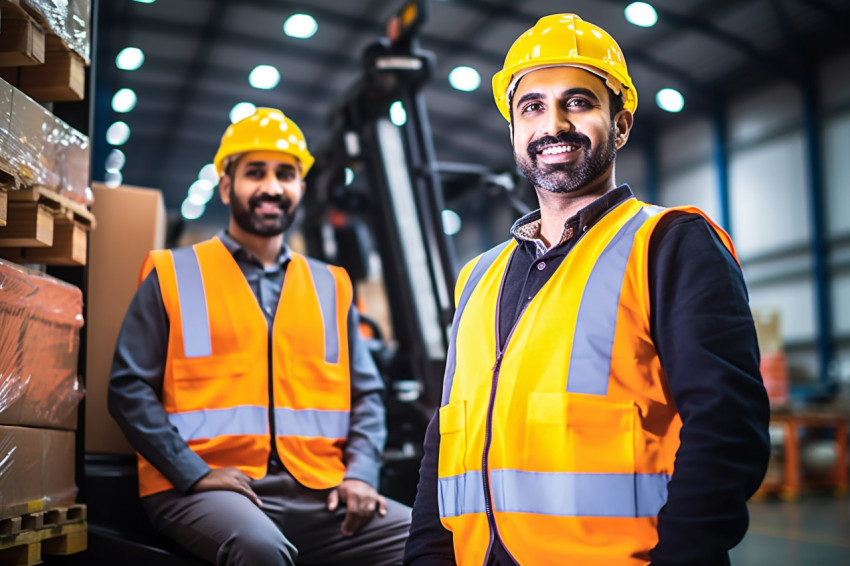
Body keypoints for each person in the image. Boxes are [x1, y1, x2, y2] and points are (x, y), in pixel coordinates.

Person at [404, 13, 770, 566]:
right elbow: (447, 431)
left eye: (578, 102)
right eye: (532, 107)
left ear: (619, 125)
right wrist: (427, 554)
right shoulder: (480, 274)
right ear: (514, 133)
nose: (553, 123)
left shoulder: (669, 242)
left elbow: (727, 425)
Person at [108, 107, 410, 566]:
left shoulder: (332, 285)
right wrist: (191, 472)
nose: (271, 187)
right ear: (227, 186)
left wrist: (362, 475)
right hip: (203, 488)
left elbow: (367, 395)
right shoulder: (173, 273)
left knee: (429, 538)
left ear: (300, 190)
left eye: (285, 174)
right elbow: (128, 389)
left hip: (317, 489)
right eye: (255, 173)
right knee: (259, 550)